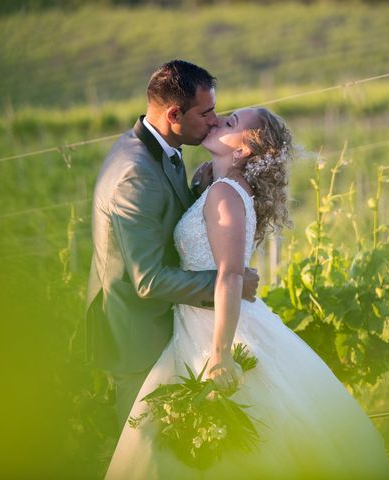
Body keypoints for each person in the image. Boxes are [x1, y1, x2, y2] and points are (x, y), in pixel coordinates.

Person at [105, 107, 389, 479]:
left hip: (214, 330)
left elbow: (229, 278)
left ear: (243, 151)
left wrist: (221, 355)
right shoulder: (219, 188)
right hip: (196, 322)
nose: (216, 121)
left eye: (229, 123)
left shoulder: (225, 195)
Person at [85, 60, 259, 432]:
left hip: (167, 325)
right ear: (174, 114)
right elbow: (147, 280)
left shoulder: (161, 148)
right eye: (207, 112)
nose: (215, 121)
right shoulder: (136, 174)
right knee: (144, 452)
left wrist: (201, 191)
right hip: (137, 336)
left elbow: (165, 222)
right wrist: (230, 282)